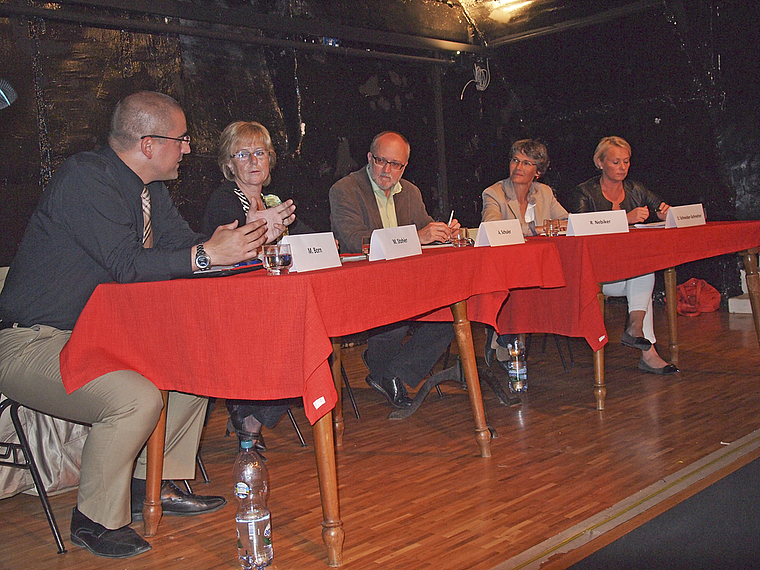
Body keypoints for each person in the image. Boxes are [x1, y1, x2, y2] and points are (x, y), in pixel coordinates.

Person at [0, 91, 282, 559]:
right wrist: (207, 254)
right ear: (149, 144)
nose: (189, 148)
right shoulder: (85, 179)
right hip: (31, 340)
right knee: (135, 398)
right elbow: (126, 265)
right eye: (182, 139)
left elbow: (186, 247)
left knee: (194, 371)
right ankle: (94, 520)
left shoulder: (150, 192)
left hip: (103, 333)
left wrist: (243, 238)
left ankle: (152, 484)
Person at [329, 131, 460, 408]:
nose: (387, 170)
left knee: (452, 313)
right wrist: (417, 236)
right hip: (364, 284)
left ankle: (393, 374)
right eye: (380, 161)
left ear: (404, 166)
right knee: (396, 314)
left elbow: (425, 230)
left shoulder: (410, 192)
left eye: (396, 164)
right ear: (368, 158)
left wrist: (442, 232)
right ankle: (382, 366)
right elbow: (355, 239)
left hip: (406, 283)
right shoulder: (345, 190)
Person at [202, 120, 306, 451]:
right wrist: (262, 231)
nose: (253, 161)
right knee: (295, 336)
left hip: (268, 302)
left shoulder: (272, 200)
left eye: (260, 152)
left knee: (309, 332)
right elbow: (230, 255)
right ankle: (247, 413)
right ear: (229, 164)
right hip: (231, 306)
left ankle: (253, 415)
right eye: (243, 154)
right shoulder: (225, 201)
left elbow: (308, 239)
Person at [570, 135, 678, 375]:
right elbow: (578, 229)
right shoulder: (584, 192)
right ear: (599, 163)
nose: (622, 168)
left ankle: (636, 330)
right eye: (615, 162)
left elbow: (661, 207)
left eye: (626, 162)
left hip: (626, 272)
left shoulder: (636, 189)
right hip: (597, 273)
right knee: (642, 279)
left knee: (644, 269)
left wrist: (665, 214)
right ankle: (644, 348)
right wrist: (623, 219)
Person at [481, 139, 568, 369]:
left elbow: (566, 221)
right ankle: (506, 338)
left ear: (537, 172)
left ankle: (503, 340)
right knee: (521, 282)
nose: (518, 167)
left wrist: (553, 226)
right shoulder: (494, 193)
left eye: (527, 163)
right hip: (503, 268)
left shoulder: (544, 193)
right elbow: (492, 227)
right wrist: (532, 229)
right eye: (515, 160)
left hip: (535, 266)